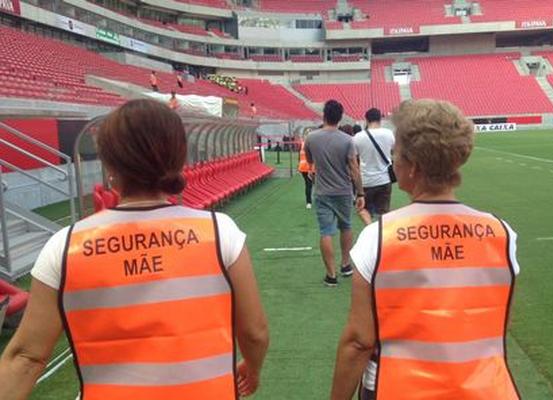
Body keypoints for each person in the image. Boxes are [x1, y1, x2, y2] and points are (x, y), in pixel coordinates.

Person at [0, 99, 269, 400]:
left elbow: (26, 357)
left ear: (110, 164)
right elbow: (254, 333)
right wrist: (253, 368)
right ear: (180, 159)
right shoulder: (220, 233)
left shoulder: (66, 246)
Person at [331, 99, 521, 400]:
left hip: (397, 388)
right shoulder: (501, 234)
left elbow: (359, 342)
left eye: (396, 153)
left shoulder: (379, 237)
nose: (393, 159)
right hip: (484, 389)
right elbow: (494, 329)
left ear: (413, 166)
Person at [304, 100, 365, 287]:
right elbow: (354, 168)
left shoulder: (311, 138)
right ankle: (345, 264)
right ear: (340, 117)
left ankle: (331, 275)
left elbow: (309, 160)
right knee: (345, 226)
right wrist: (361, 193)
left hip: (322, 191)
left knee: (326, 232)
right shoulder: (347, 140)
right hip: (344, 191)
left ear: (324, 115)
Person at [353, 108, 395, 225]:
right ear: (380, 118)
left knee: (363, 210)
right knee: (384, 213)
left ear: (366, 119)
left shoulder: (358, 137)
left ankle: (370, 228)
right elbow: (395, 151)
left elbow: (353, 159)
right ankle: (383, 236)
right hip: (384, 179)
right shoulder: (388, 134)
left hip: (366, 181)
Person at [297, 133, 314, 209]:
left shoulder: (302, 144)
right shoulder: (313, 144)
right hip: (312, 168)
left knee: (308, 184)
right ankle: (311, 201)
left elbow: (299, 156)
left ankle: (308, 202)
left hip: (303, 167)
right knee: (313, 185)